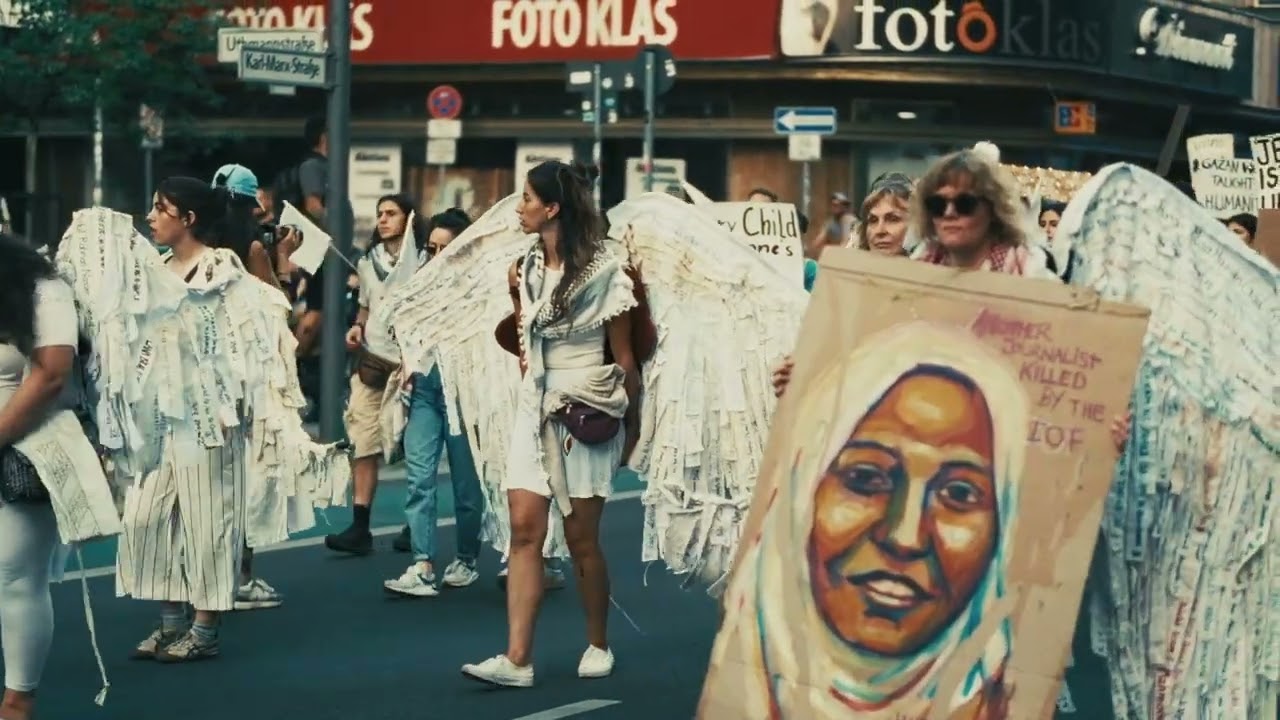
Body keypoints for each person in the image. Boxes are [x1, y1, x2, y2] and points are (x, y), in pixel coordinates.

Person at [461, 161, 638, 687]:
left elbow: (626, 360)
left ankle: (598, 642)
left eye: (527, 199)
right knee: (523, 530)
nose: (519, 208)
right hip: (534, 404)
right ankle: (517, 659)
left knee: (581, 537)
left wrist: (630, 429)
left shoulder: (609, 272)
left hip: (586, 407)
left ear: (552, 208)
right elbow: (524, 343)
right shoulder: (522, 270)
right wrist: (530, 388)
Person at [117, 178, 249, 663]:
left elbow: (243, 338)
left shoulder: (222, 266)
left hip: (209, 414)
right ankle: (171, 620)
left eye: (161, 208)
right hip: (158, 415)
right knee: (145, 517)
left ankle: (204, 628)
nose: (151, 217)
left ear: (188, 218)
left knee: (207, 519)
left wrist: (235, 404)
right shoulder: (151, 269)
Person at [383, 208, 487, 596]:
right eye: (431, 248)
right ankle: (422, 564)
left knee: (466, 485)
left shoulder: (479, 288)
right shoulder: (418, 284)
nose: (437, 256)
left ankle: (467, 559)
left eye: (447, 248)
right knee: (419, 476)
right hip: (424, 390)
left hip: (464, 392)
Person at [0, 233, 79, 720]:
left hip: (26, 452)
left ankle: (16, 703)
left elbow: (51, 374)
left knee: (15, 576)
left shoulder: (45, 290)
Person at [324, 194, 429, 555]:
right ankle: (360, 526)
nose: (383, 220)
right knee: (363, 442)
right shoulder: (368, 262)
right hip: (372, 364)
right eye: (379, 214)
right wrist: (357, 326)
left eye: (391, 213)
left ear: (408, 218)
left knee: (415, 446)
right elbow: (365, 307)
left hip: (410, 366)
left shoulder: (423, 260)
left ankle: (415, 524)